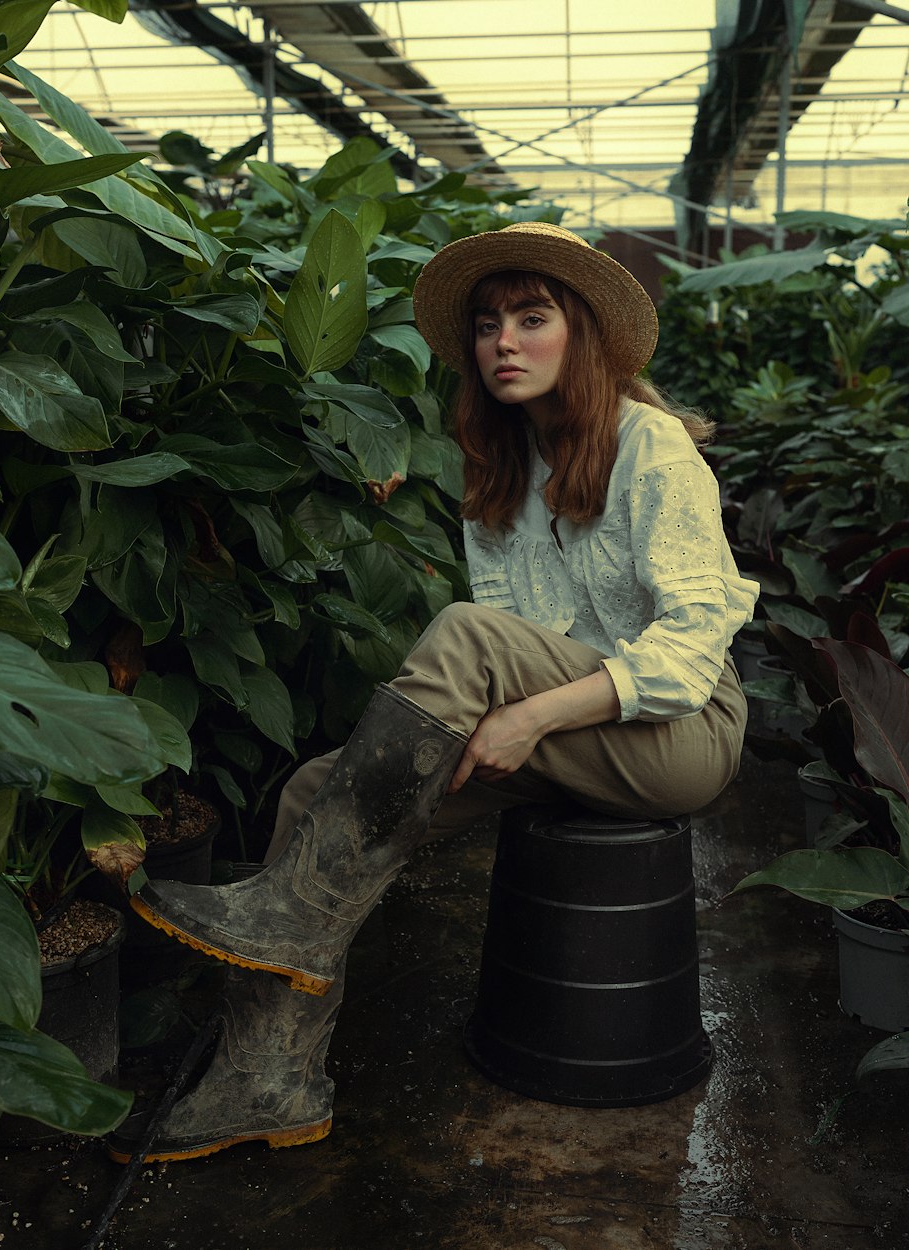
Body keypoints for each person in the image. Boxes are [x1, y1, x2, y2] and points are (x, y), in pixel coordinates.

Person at [110, 221, 759, 1164]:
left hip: (680, 730)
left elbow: (693, 646)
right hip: (564, 727)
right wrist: (512, 717)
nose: (504, 342)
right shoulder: (500, 468)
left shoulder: (649, 445)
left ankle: (292, 914)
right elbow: (512, 629)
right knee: (311, 791)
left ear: (583, 338)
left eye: (532, 320)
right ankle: (268, 1080)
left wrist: (531, 715)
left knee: (460, 632)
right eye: (490, 325)